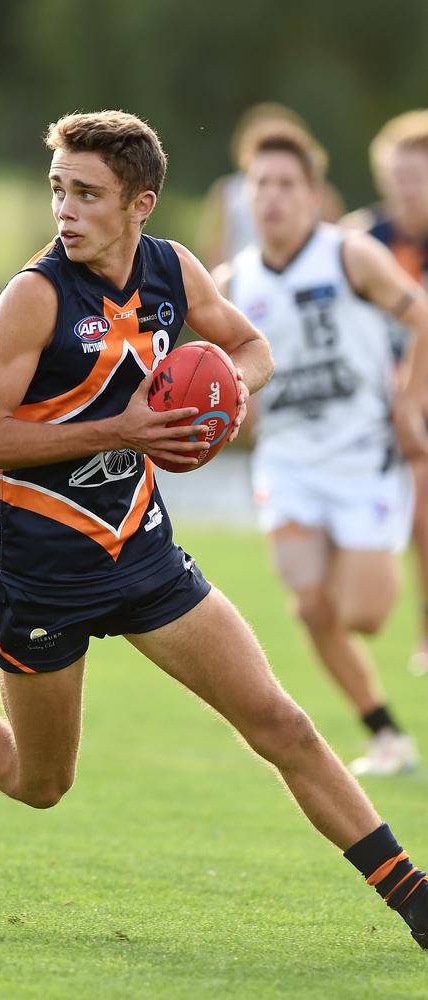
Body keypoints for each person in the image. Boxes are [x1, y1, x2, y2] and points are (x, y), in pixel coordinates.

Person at [0, 110, 428, 949]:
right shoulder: (35, 296)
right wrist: (123, 430)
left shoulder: (172, 268)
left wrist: (227, 392)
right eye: (59, 190)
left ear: (141, 203)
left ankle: (413, 900)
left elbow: (252, 345)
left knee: (283, 724)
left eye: (87, 194)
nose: (66, 210)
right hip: (40, 570)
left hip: (144, 552)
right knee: (38, 780)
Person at [214, 127, 428, 778]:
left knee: (362, 615)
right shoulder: (230, 281)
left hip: (362, 454)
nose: (272, 198)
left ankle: (356, 559)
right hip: (288, 462)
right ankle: (385, 733)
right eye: (261, 185)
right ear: (247, 197)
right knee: (309, 606)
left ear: (312, 195)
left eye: (286, 185)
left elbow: (422, 316)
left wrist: (408, 400)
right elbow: (218, 370)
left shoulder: (349, 256)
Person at [342, 110, 428, 676]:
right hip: (367, 403)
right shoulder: (358, 239)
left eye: (417, 175)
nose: (406, 186)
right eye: (398, 174)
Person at [197, 102, 344, 270]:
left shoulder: (322, 193)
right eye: (262, 183)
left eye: (286, 184)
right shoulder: (226, 191)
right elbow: (214, 250)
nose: (273, 194)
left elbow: (336, 243)